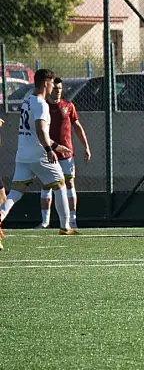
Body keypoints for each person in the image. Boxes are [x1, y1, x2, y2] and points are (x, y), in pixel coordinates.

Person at [0, 69, 77, 248]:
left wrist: (57, 146)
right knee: (60, 184)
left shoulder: (27, 101)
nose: (53, 87)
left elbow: (34, 132)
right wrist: (50, 150)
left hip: (23, 154)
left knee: (16, 192)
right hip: (38, 154)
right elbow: (41, 131)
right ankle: (66, 226)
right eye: (51, 83)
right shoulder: (41, 104)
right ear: (45, 83)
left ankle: (0, 216)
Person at [36, 77, 91, 229]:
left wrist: (85, 146)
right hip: (47, 152)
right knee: (46, 185)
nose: (58, 91)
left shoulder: (68, 106)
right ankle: (45, 221)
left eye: (60, 89)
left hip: (66, 154)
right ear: (49, 88)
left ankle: (72, 220)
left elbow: (77, 126)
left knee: (69, 183)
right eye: (55, 88)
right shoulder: (43, 106)